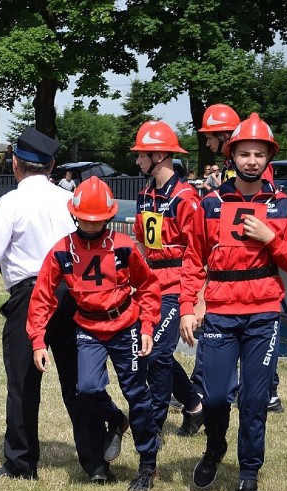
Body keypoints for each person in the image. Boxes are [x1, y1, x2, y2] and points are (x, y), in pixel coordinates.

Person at [0, 127, 117, 484]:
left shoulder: (9, 204)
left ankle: (21, 463)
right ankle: (95, 464)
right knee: (78, 381)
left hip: (31, 295)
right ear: (50, 166)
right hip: (73, 292)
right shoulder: (69, 200)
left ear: (16, 164)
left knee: (23, 382)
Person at [180, 113, 287, 491]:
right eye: (244, 152)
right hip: (219, 313)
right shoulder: (210, 204)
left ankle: (249, 478)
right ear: (232, 155)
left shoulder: (283, 206)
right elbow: (192, 258)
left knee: (254, 400)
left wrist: (272, 238)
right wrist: (188, 306)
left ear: (268, 157)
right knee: (216, 396)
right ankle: (215, 447)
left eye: (258, 153)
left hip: (263, 315)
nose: (251, 160)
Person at [29, 176, 162, 491]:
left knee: (137, 395)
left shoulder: (125, 248)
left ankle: (147, 465)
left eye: (98, 220)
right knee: (86, 389)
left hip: (126, 326)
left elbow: (149, 286)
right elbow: (43, 297)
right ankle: (115, 419)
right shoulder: (61, 251)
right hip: (87, 327)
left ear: (109, 216)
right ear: (74, 215)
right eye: (85, 220)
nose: (91, 225)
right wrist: (38, 340)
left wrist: (146, 327)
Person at [131, 121, 204, 437]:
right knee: (150, 350)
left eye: (141, 155)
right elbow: (141, 242)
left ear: (158, 154)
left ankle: (155, 424)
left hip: (176, 285)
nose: (137, 161)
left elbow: (198, 252)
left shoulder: (186, 198)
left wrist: (195, 299)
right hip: (150, 285)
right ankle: (194, 405)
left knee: (158, 354)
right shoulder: (146, 194)